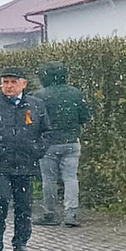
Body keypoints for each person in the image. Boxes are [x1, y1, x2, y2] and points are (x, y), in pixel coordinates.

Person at [0, 67, 49, 251]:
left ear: (23, 84)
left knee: (24, 205)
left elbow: (47, 131)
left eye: (13, 82)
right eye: (5, 82)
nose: (9, 86)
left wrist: (38, 149)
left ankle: (21, 242)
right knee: (1, 198)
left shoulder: (36, 105)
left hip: (25, 162)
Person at [35, 61, 93, 226]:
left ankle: (50, 214)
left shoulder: (39, 96)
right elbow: (85, 117)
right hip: (71, 142)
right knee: (70, 178)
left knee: (49, 179)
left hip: (48, 144)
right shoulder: (75, 93)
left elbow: (34, 121)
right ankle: (71, 215)